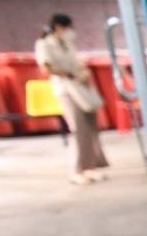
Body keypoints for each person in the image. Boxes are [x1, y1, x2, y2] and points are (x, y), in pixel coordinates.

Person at [33, 13, 109, 185]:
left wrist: (83, 73)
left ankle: (91, 167)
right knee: (78, 129)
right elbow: (46, 68)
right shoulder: (44, 44)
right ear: (58, 27)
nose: (71, 31)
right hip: (66, 89)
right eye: (68, 28)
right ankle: (77, 170)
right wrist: (70, 75)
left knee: (91, 127)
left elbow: (77, 63)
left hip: (81, 87)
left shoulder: (67, 43)